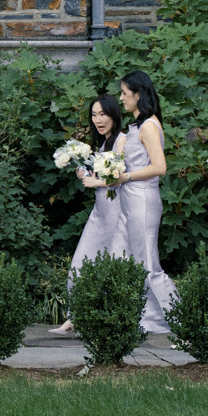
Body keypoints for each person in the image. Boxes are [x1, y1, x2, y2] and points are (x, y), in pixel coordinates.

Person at [50, 94, 129, 335]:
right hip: (100, 213)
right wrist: (83, 174)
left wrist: (97, 181)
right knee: (80, 264)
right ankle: (75, 317)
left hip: (116, 213)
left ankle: (110, 322)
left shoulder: (122, 140)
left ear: (114, 114)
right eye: (94, 115)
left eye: (103, 114)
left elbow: (120, 176)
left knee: (113, 267)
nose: (98, 120)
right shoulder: (103, 144)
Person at [115, 71, 177, 337]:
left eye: (124, 93)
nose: (120, 99)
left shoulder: (149, 126)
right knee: (137, 261)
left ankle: (182, 318)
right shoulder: (137, 126)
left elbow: (160, 166)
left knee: (149, 263)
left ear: (138, 95)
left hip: (142, 198)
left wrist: (125, 175)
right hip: (131, 199)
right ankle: (151, 319)